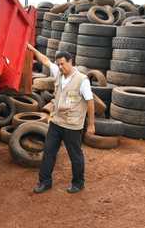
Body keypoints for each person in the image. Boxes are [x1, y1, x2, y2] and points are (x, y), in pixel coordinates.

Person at [27, 43, 96, 194]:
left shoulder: (82, 80)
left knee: (75, 155)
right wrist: (32, 50)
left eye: (63, 64)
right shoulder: (58, 73)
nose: (60, 67)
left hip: (72, 125)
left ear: (71, 62)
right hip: (57, 122)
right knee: (49, 152)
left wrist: (91, 125)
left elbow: (90, 102)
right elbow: (45, 60)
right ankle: (44, 182)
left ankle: (78, 183)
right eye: (58, 64)